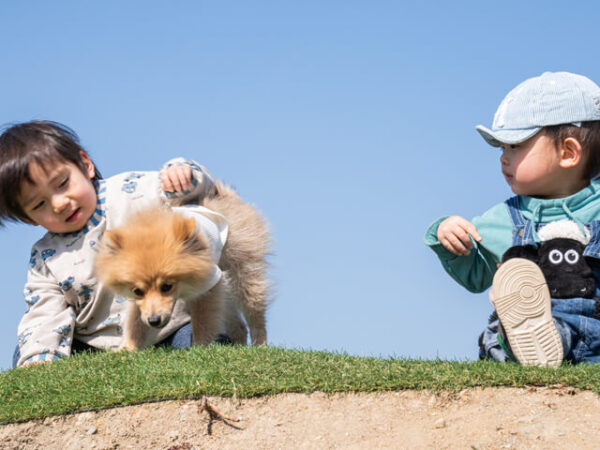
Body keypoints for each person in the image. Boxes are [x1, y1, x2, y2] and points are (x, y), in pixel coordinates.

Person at [0, 121, 222, 368]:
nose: (59, 203)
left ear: (86, 165)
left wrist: (183, 176)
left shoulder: (134, 193)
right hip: (95, 345)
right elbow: (44, 315)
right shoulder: (45, 259)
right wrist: (39, 358)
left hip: (171, 325)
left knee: (201, 339)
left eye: (62, 183)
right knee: (26, 348)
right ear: (27, 218)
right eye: (39, 204)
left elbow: (201, 194)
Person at [424, 71, 600, 366]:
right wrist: (449, 238)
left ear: (568, 152)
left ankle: (533, 345)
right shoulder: (505, 218)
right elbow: (476, 273)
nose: (503, 157)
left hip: (594, 333)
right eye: (502, 147)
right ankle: (523, 339)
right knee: (500, 334)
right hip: (530, 338)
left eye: (515, 145)